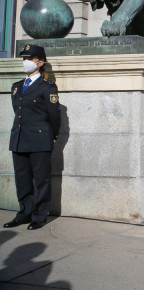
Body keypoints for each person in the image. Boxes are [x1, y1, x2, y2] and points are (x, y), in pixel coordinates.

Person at [3, 44, 61, 231]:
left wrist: (50, 136)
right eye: (24, 58)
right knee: (22, 179)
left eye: (30, 58)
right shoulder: (17, 87)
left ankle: (39, 215)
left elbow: (54, 116)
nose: (25, 62)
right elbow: (18, 112)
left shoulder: (47, 87)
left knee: (41, 179)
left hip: (39, 139)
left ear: (40, 62)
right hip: (19, 139)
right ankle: (25, 213)